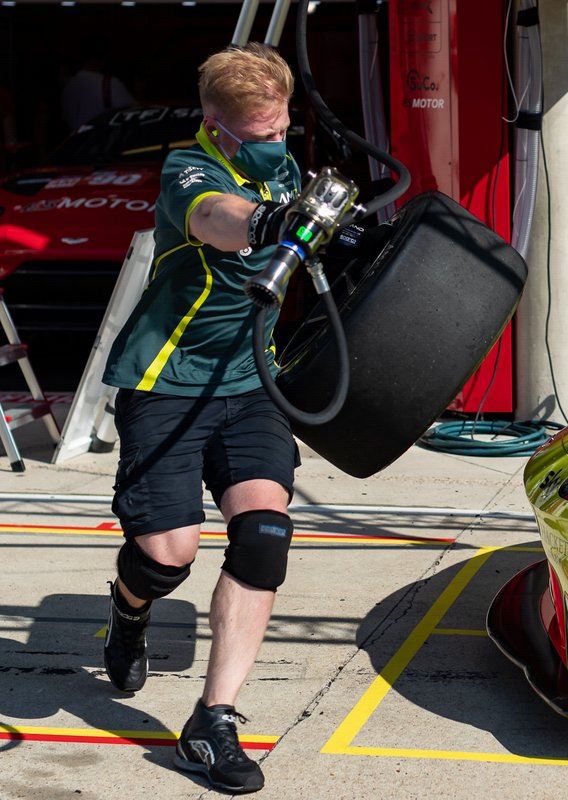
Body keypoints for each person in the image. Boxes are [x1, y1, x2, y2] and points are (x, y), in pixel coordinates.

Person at [99, 42, 305, 795]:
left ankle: (212, 720)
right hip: (167, 385)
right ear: (218, 129)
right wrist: (267, 219)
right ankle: (128, 612)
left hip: (249, 382)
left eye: (282, 127)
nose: (273, 144)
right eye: (257, 135)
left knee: (266, 535)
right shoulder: (191, 168)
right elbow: (222, 220)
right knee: (166, 557)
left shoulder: (283, 164)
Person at [61, 47, 136, 131]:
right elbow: (134, 112)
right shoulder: (108, 83)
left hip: (77, 140)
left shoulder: (68, 85)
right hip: (103, 139)